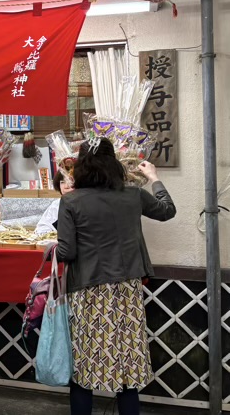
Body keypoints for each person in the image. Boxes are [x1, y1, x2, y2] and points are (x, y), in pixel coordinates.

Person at [55, 137, 176, 415]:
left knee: (84, 362)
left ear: (81, 166)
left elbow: (67, 252)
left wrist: (51, 248)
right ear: (115, 164)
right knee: (127, 364)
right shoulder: (133, 195)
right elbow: (167, 211)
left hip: (87, 291)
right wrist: (154, 177)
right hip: (127, 289)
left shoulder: (71, 201)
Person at [34, 170, 73, 235]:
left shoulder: (88, 204)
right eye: (62, 182)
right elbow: (41, 228)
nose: (66, 186)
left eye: (70, 182)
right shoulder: (56, 205)